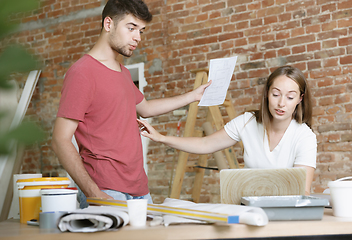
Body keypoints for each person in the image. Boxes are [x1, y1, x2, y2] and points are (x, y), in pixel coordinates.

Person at [51, 0, 211, 208]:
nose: (137, 37)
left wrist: (192, 96)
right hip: (106, 189)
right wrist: (93, 192)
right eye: (131, 28)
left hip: (139, 190)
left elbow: (146, 108)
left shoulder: (123, 72)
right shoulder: (82, 73)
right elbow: (59, 140)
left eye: (141, 31)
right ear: (108, 24)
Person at [138, 65, 317, 195]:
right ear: (267, 94)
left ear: (300, 99)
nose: (281, 103)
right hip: (249, 208)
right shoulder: (248, 122)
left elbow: (302, 191)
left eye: (290, 97)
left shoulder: (304, 137)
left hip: (283, 214)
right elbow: (205, 143)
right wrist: (161, 138)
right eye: (276, 94)